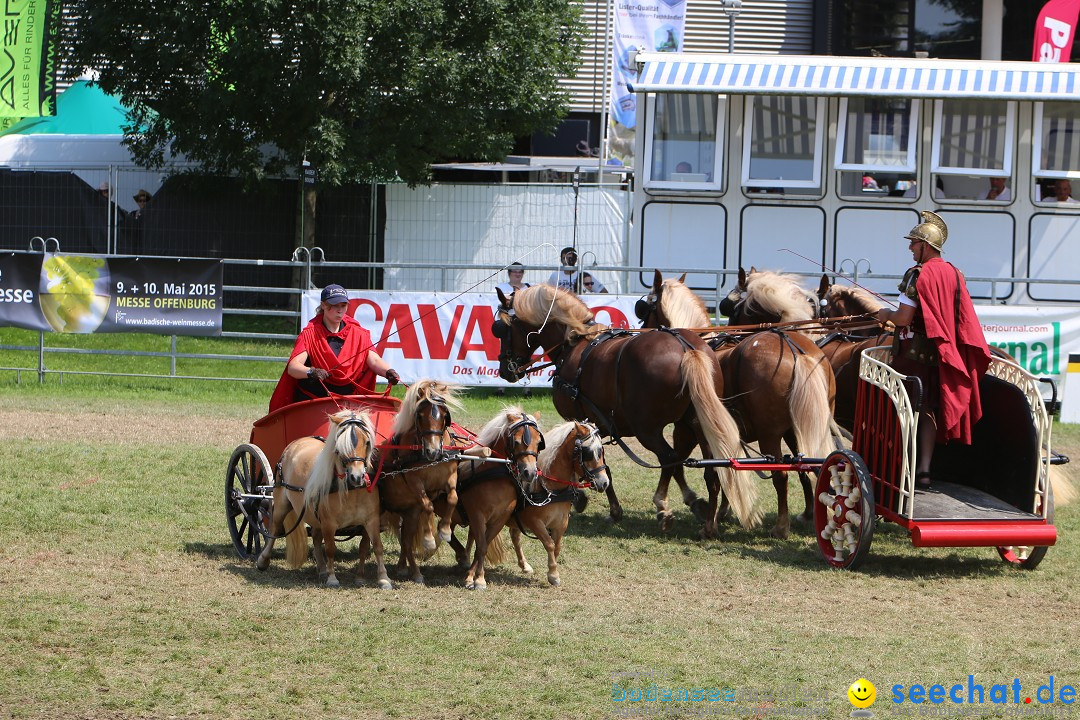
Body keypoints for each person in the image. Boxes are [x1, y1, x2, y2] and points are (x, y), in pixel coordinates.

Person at [875, 211, 991, 490]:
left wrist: (885, 313)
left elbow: (903, 318)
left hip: (910, 356)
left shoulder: (917, 274)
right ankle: (924, 471)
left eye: (913, 243)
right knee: (927, 411)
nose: (910, 248)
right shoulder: (954, 273)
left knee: (900, 409)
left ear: (925, 245)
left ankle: (898, 468)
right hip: (939, 357)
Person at [268, 284, 399, 412]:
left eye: (343, 305)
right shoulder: (310, 333)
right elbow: (293, 367)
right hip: (313, 403)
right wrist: (311, 372)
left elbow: (374, 360)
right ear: (324, 305)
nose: (340, 310)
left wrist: (388, 372)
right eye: (335, 305)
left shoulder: (357, 333)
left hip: (348, 405)